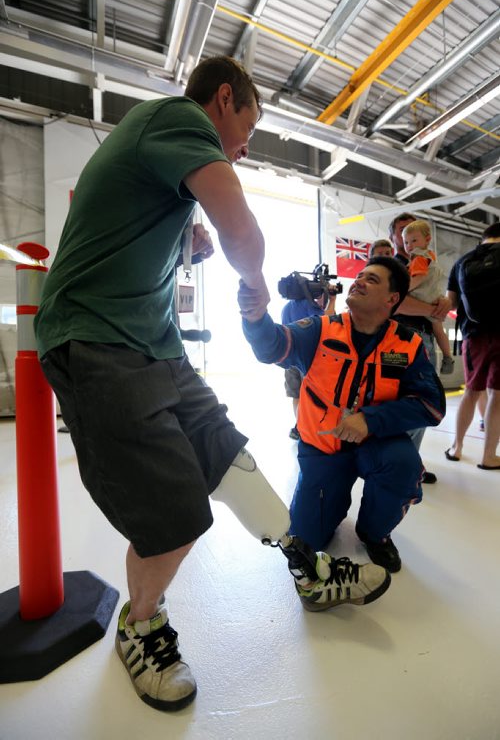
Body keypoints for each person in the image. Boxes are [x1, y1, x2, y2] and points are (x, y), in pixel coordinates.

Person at [34, 56, 389, 713]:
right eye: (246, 128)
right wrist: (253, 285)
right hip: (97, 341)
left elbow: (148, 228)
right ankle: (140, 625)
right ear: (223, 100)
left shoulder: (162, 157)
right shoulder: (177, 118)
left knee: (231, 456)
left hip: (154, 348)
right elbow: (242, 230)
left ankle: (308, 571)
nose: (245, 147)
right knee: (174, 514)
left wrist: (183, 245)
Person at [239, 256, 445, 574]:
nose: (359, 280)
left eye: (372, 279)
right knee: (307, 539)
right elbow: (274, 347)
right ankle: (329, 507)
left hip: (375, 444)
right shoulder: (321, 329)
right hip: (323, 450)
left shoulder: (408, 345)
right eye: (360, 275)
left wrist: (370, 421)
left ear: (392, 299)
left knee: (403, 464)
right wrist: (255, 318)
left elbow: (432, 405)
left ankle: (374, 534)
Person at [389, 212, 451, 484]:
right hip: (401, 337)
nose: (408, 239)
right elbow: (397, 302)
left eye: (413, 233)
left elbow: (439, 305)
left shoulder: (425, 263)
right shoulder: (393, 268)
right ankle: (399, 465)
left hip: (425, 336)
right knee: (405, 404)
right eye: (403, 233)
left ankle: (409, 462)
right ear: (394, 238)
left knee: (423, 403)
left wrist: (444, 305)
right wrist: (434, 309)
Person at [445, 222, 500, 469]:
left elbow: (452, 303)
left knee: (472, 391)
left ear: (484, 237)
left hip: (474, 335)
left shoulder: (463, 261)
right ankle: (489, 456)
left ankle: (457, 447)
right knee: (497, 396)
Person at [281, 284, 336, 440]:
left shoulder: (286, 308)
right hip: (307, 359)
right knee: (308, 395)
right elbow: (328, 321)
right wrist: (332, 301)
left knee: (296, 394)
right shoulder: (309, 305)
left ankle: (299, 427)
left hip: (289, 358)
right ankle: (307, 429)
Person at [402, 219, 455, 375]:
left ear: (427, 239)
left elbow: (419, 278)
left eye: (414, 240)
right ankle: (447, 357)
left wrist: (404, 289)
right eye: (406, 242)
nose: (409, 245)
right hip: (433, 297)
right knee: (439, 330)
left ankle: (447, 357)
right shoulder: (430, 256)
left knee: (438, 329)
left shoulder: (419, 258)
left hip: (422, 297)